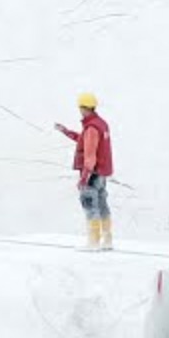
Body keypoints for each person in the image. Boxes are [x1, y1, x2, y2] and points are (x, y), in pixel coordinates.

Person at [56, 92, 115, 250]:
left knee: (90, 206)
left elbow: (89, 157)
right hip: (101, 173)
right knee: (102, 205)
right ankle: (107, 240)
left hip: (92, 173)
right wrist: (66, 131)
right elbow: (84, 139)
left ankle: (93, 242)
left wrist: (84, 178)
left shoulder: (91, 128)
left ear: (82, 108)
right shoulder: (101, 124)